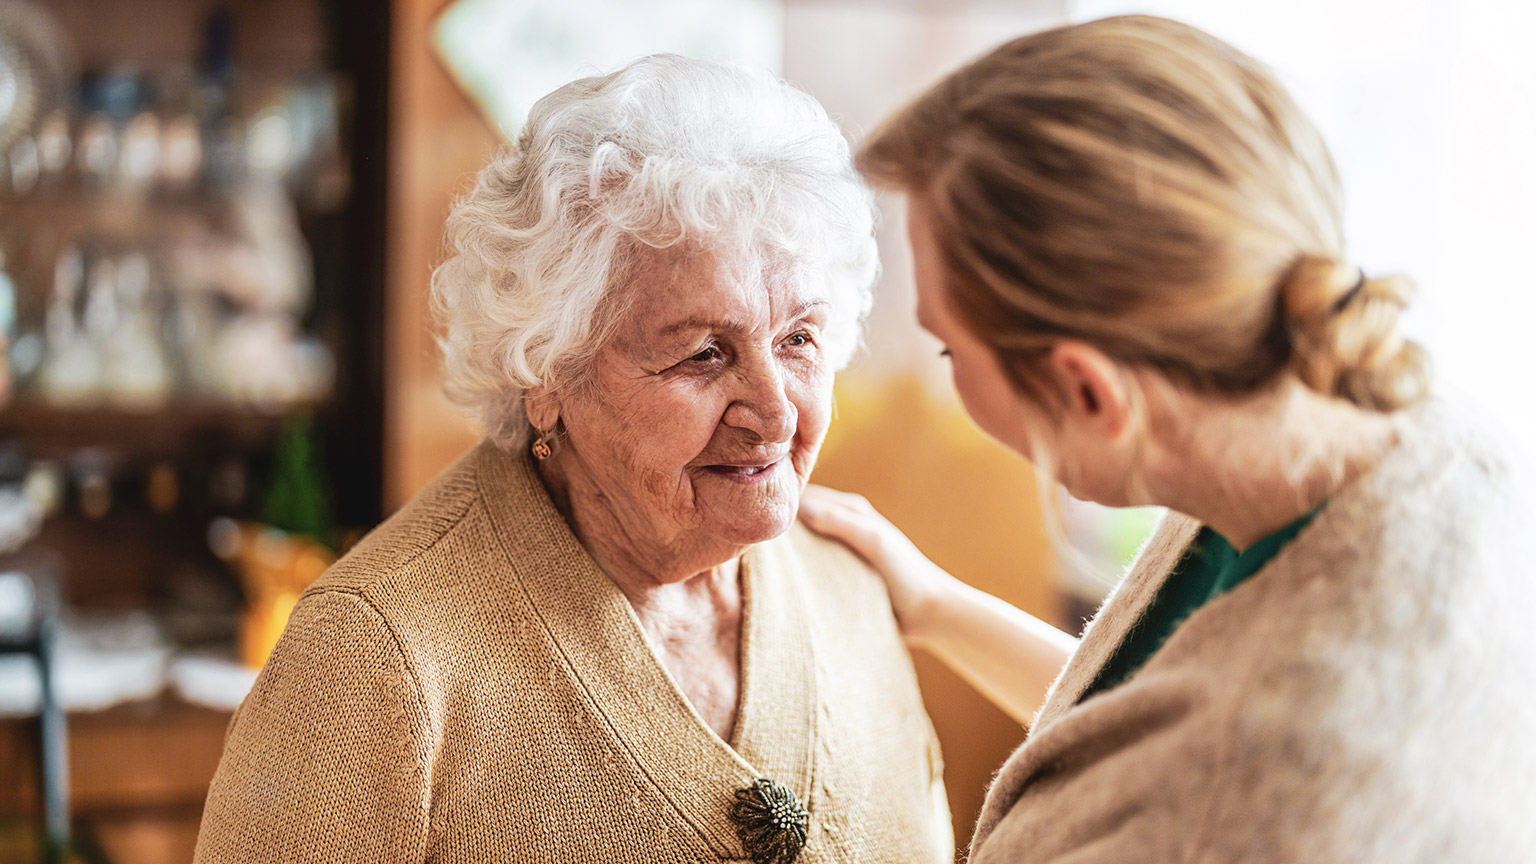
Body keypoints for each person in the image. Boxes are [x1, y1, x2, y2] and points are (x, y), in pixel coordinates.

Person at [800, 15, 1536, 862]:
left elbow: (1202, 775)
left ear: (1088, 391)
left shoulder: (1276, 796)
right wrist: (934, 606)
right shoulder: (1366, 423)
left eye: (947, 348)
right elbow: (1148, 729)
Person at [194, 55, 952, 864]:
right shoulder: (373, 662)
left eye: (799, 338)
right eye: (702, 354)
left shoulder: (852, 591)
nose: (774, 412)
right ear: (547, 372)